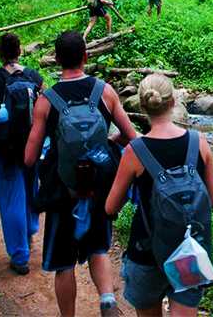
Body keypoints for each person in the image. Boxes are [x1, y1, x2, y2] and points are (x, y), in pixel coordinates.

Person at [25, 30, 139, 317]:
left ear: (57, 60)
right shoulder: (105, 91)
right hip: (97, 188)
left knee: (64, 265)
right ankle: (107, 301)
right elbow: (131, 136)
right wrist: (106, 146)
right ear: (86, 56)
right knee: (98, 248)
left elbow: (29, 157)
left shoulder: (47, 100)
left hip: (64, 192)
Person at [106, 74, 213, 317]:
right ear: (173, 102)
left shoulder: (134, 151)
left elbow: (111, 206)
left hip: (146, 250)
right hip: (189, 249)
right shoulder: (198, 142)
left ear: (142, 105)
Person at [0, 33, 43, 275]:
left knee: (11, 199)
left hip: (5, 149)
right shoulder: (34, 77)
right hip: (31, 146)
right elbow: (45, 109)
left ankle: (19, 255)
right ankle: (29, 230)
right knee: (29, 190)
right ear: (20, 51)